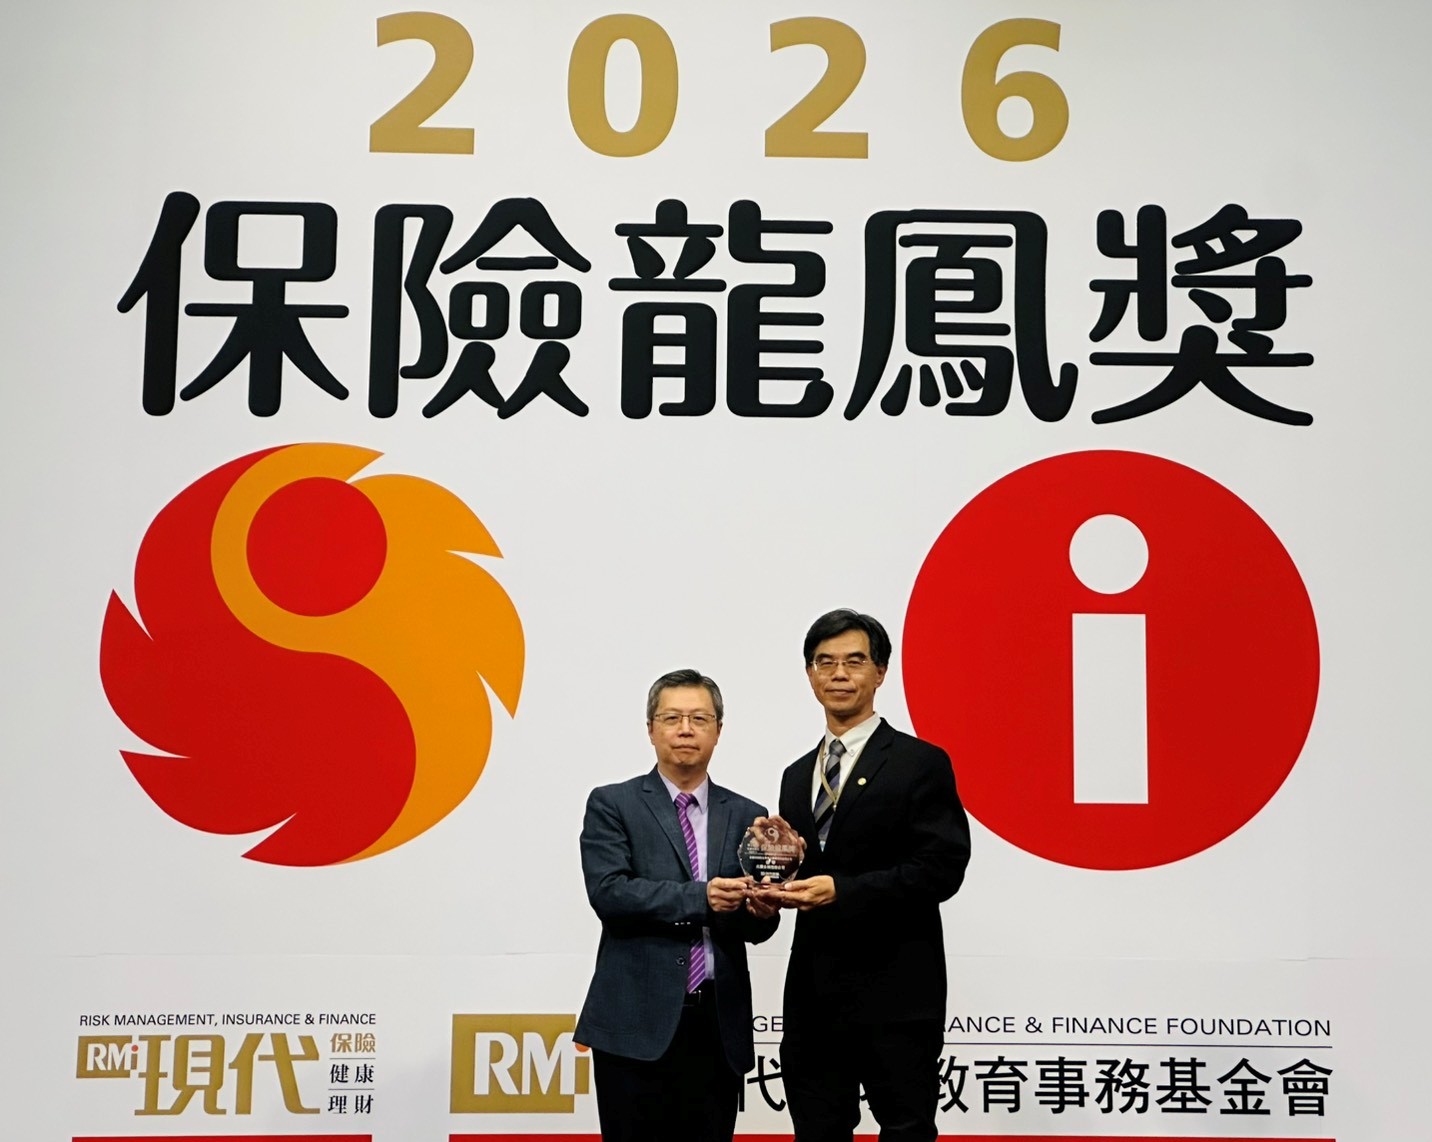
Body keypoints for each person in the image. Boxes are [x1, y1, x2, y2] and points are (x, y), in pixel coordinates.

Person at [758, 609, 971, 1142]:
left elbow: (942, 869)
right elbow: (805, 871)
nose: (838, 674)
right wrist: (771, 881)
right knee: (816, 1133)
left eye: (854, 661)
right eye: (824, 662)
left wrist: (844, 891)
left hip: (898, 994)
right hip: (813, 997)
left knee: (906, 1131)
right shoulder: (795, 775)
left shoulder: (920, 762)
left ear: (880, 672)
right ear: (809, 674)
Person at [576, 668, 780, 1142]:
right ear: (651, 729)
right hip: (635, 1022)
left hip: (717, 1024)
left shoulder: (748, 814)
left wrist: (764, 909)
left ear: (718, 731)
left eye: (699, 718)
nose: (686, 729)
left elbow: (755, 929)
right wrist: (702, 896)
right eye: (672, 718)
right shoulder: (613, 803)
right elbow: (610, 892)